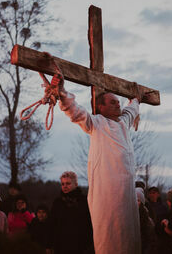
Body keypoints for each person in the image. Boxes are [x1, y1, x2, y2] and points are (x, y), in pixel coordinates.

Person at [54, 72, 143, 254]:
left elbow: (131, 109)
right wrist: (61, 91)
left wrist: (136, 98)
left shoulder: (124, 123)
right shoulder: (96, 123)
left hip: (126, 196)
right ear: (100, 107)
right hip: (107, 197)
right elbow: (75, 111)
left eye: (118, 102)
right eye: (112, 102)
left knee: (130, 240)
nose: (118, 104)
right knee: (109, 239)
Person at [47, 171, 94, 254]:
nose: (65, 186)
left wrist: (89, 245)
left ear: (75, 184)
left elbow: (89, 223)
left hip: (81, 246)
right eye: (63, 184)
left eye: (68, 183)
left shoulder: (84, 201)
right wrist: (49, 245)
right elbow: (51, 224)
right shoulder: (58, 202)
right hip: (61, 246)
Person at [136, 187, 158, 254]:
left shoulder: (146, 218)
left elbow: (150, 241)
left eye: (138, 200)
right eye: (134, 200)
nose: (136, 203)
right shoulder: (130, 215)